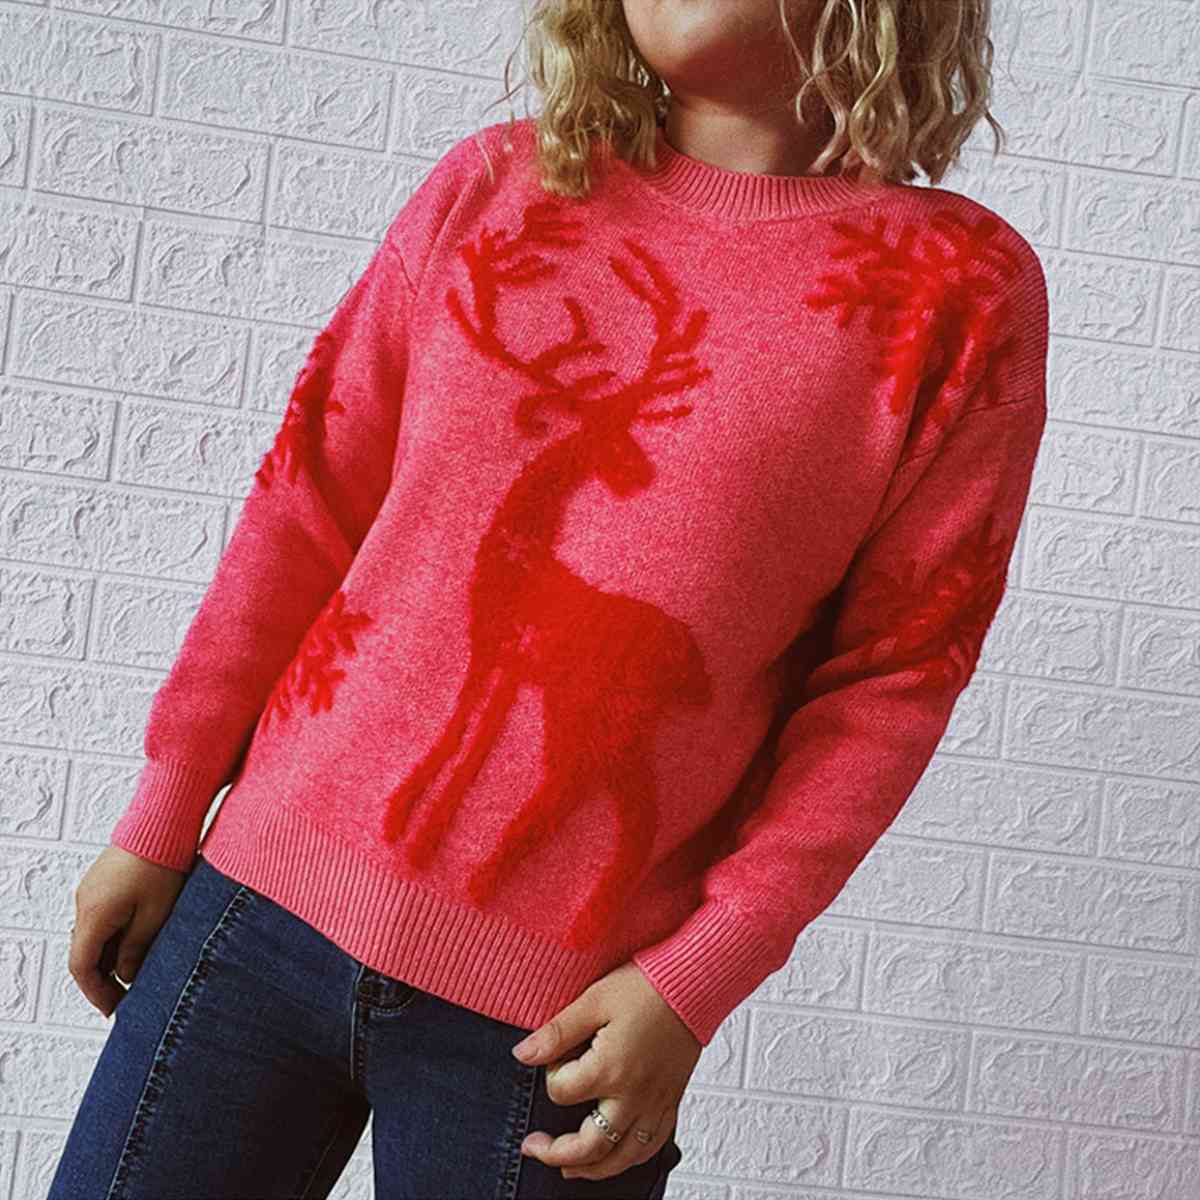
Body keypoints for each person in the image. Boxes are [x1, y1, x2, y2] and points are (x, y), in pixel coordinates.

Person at [50, 1, 1048, 1197]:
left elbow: (893, 678)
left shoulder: (956, 291)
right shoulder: (497, 188)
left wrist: (697, 977)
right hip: (252, 915)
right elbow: (305, 503)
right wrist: (162, 811)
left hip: (562, 1022)